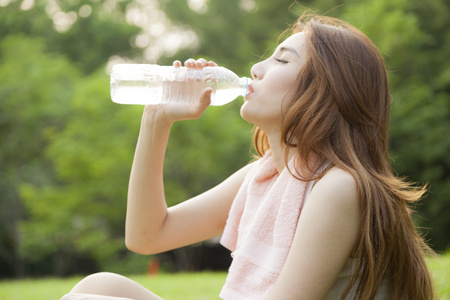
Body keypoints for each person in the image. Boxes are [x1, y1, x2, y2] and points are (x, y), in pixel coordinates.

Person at [61, 12, 435, 300]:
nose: (256, 68)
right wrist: (156, 119)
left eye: (281, 61)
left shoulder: (339, 187)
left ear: (325, 92)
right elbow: (145, 236)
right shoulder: (267, 176)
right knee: (103, 284)